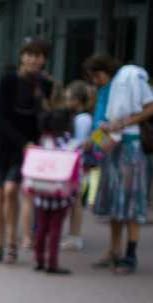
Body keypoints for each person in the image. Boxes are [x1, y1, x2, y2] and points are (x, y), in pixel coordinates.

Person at [85, 53, 153, 274]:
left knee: (130, 202)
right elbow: (106, 124)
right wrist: (93, 142)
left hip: (130, 147)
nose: (95, 81)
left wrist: (125, 122)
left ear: (106, 71)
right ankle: (114, 250)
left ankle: (130, 255)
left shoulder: (129, 77)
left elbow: (152, 107)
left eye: (97, 75)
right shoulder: (108, 88)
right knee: (115, 203)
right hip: (114, 148)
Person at [0, 39, 52, 264]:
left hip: (26, 149)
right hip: (1, 145)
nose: (33, 59)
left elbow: (44, 119)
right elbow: (0, 117)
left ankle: (13, 242)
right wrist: (24, 142)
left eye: (39, 55)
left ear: (44, 60)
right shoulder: (8, 80)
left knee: (12, 191)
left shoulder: (44, 84)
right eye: (29, 54)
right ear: (22, 56)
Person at [25, 109, 80, 275]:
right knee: (55, 229)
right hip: (60, 194)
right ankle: (52, 262)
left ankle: (38, 259)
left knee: (41, 227)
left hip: (41, 192)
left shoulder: (43, 141)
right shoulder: (69, 142)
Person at [62, 80, 95, 251]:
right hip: (79, 165)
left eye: (69, 99)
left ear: (77, 100)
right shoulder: (84, 117)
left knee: (75, 201)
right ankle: (73, 235)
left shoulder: (82, 119)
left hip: (78, 165)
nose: (67, 102)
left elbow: (79, 143)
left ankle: (74, 236)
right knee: (75, 201)